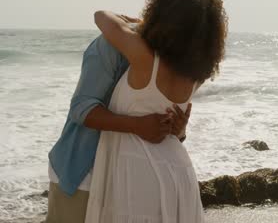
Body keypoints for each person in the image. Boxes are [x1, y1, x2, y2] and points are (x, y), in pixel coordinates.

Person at [85, 0, 228, 223]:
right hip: (178, 170)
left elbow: (101, 17)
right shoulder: (197, 76)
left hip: (138, 170)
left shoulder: (144, 59)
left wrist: (137, 22)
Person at [46, 20, 192, 222]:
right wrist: (136, 125)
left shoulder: (180, 57)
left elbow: (163, 123)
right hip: (84, 172)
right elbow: (81, 109)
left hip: (131, 180)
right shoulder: (112, 45)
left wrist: (178, 129)